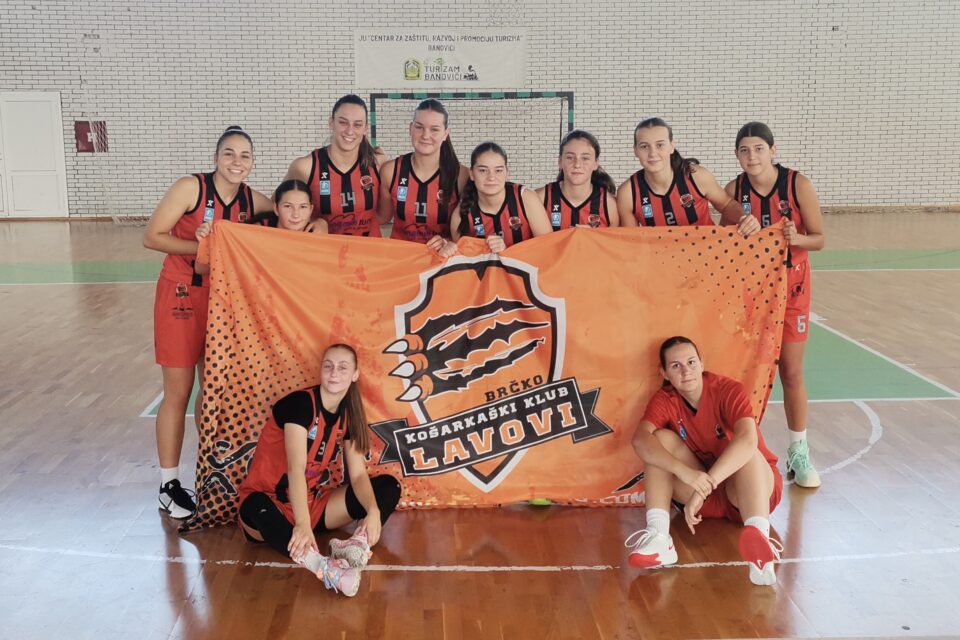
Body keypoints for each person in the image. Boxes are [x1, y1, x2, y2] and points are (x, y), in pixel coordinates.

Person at [143, 125, 272, 519]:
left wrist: (316, 224)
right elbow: (153, 236)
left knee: (214, 392)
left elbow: (291, 214)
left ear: (252, 163)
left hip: (224, 301)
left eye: (245, 155)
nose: (237, 161)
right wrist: (204, 247)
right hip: (182, 295)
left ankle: (210, 473)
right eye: (229, 153)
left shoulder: (253, 200)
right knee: (178, 391)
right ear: (216, 157)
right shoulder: (191, 188)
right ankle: (168, 485)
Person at [237, 344, 402, 597]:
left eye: (343, 367)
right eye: (328, 366)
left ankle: (355, 546)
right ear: (321, 370)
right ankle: (325, 568)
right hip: (269, 504)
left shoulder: (349, 415)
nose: (334, 373)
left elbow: (358, 475)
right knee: (254, 505)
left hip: (310, 503)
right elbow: (296, 469)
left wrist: (372, 511)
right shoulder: (301, 405)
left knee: (388, 487)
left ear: (355, 374)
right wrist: (302, 525)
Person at [625, 337, 783, 586]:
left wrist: (705, 486)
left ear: (701, 363)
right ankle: (659, 537)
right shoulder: (665, 399)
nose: (685, 371)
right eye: (676, 366)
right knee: (658, 441)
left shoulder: (728, 390)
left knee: (749, 453)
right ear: (664, 373)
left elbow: (747, 440)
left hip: (749, 492)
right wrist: (684, 473)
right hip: (705, 495)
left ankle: (760, 548)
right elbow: (640, 441)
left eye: (690, 362)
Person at [726, 122, 826, 487]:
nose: (751, 156)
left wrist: (796, 237)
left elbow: (819, 239)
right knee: (745, 373)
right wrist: (738, 232)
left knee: (791, 372)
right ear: (737, 155)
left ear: (772, 150)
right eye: (744, 150)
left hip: (793, 287)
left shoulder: (798, 185)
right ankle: (742, 449)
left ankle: (799, 451)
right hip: (752, 292)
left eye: (758, 149)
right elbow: (724, 241)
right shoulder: (734, 191)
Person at [617, 117, 758, 236]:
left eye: (660, 145)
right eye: (644, 146)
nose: (652, 153)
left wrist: (744, 219)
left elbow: (726, 204)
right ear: (635, 151)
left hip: (706, 253)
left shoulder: (696, 176)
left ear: (672, 146)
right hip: (659, 258)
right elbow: (631, 240)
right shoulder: (628, 193)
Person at [377, 99, 469, 255]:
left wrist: (449, 241)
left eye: (434, 129)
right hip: (400, 260)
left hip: (441, 262)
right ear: (410, 129)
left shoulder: (461, 176)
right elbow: (380, 217)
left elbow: (470, 231)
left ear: (445, 134)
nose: (426, 135)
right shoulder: (390, 171)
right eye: (419, 127)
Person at [284, 94, 382, 237]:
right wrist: (314, 221)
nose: (350, 131)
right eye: (343, 122)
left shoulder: (378, 163)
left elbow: (384, 216)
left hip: (369, 249)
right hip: (325, 250)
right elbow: (279, 208)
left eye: (357, 125)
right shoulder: (305, 167)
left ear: (365, 128)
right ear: (331, 123)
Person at [450, 141, 553, 253]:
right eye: (483, 170)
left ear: (507, 173)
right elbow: (463, 261)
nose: (491, 177)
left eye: (498, 170)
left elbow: (548, 249)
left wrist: (507, 252)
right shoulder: (460, 216)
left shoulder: (526, 198)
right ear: (471, 174)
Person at [536, 129, 620, 229]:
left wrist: (593, 236)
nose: (577, 164)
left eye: (585, 158)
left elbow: (615, 239)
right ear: (560, 161)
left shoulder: (610, 205)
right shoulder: (539, 199)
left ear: (596, 163)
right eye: (570, 157)